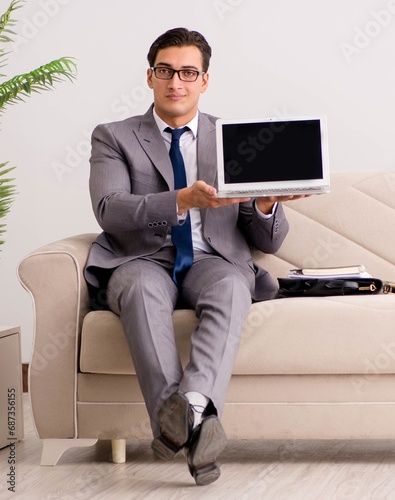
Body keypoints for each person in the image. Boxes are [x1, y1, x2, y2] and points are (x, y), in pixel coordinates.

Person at [84, 27, 306, 486]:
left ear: (205, 80)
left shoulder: (233, 138)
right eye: (165, 71)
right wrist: (180, 200)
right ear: (150, 76)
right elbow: (109, 210)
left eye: (188, 72)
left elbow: (269, 241)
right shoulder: (115, 136)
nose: (176, 82)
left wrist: (266, 203)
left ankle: (185, 416)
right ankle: (199, 428)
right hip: (143, 260)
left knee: (230, 286)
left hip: (213, 262)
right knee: (143, 289)